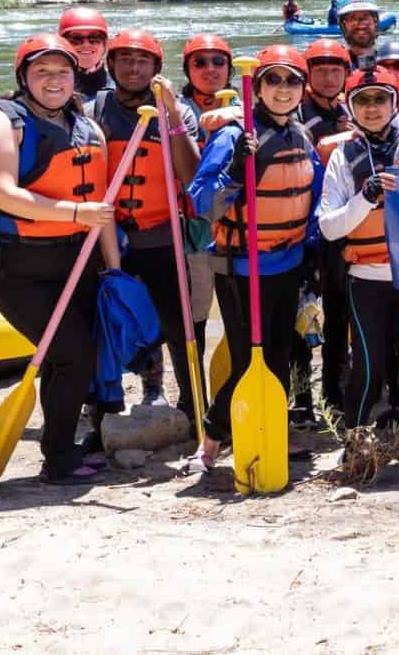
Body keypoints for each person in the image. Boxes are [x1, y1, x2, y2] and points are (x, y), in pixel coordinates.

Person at [0, 34, 119, 484]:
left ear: (77, 77)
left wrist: (114, 269)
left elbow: (103, 208)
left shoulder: (88, 126)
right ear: (24, 78)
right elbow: (4, 194)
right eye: (42, 72)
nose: (54, 80)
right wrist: (75, 212)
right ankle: (58, 456)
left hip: (75, 259)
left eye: (63, 72)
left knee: (70, 357)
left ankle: (60, 452)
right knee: (72, 353)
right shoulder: (1, 121)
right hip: (18, 264)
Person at [186, 46, 323, 471]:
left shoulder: (301, 136)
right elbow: (201, 203)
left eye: (292, 81)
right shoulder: (233, 136)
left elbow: (311, 198)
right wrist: (235, 171)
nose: (283, 90)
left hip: (287, 263)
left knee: (279, 354)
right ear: (258, 87)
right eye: (273, 81)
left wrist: (314, 257)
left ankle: (272, 430)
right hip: (241, 268)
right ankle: (209, 441)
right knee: (249, 359)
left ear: (302, 89)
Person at [317, 66, 399, 430]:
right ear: (351, 108)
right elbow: (329, 227)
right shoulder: (344, 157)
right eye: (363, 101)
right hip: (366, 279)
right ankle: (357, 434)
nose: (372, 108)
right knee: (370, 364)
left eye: (379, 100)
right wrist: (365, 197)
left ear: (394, 103)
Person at [90, 29, 202, 412]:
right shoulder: (94, 110)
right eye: (125, 59)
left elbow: (192, 176)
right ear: (111, 65)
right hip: (111, 240)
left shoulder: (179, 110)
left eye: (142, 61)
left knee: (176, 324)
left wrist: (171, 114)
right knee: (113, 321)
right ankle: (116, 401)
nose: (133, 67)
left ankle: (191, 404)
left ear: (156, 68)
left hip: (162, 237)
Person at [298, 38, 356, 415]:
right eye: (321, 70)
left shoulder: (353, 111)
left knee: (338, 313)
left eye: (336, 70)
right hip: (303, 233)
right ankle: (301, 396)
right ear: (309, 76)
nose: (330, 76)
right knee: (300, 315)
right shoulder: (293, 109)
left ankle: (333, 394)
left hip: (339, 230)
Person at [178, 33, 236, 381]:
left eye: (218, 62)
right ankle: (194, 386)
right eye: (200, 62)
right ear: (188, 69)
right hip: (197, 228)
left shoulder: (249, 105)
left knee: (238, 311)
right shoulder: (177, 111)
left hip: (237, 228)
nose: (210, 69)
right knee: (197, 310)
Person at [59, 6, 113, 100]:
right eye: (76, 39)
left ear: (105, 43)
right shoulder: (48, 87)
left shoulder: (122, 86)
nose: (86, 45)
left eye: (94, 38)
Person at [336, 0, 381, 65]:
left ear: (375, 22)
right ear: (343, 25)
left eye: (366, 18)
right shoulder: (334, 66)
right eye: (353, 19)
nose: (360, 25)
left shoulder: (390, 63)